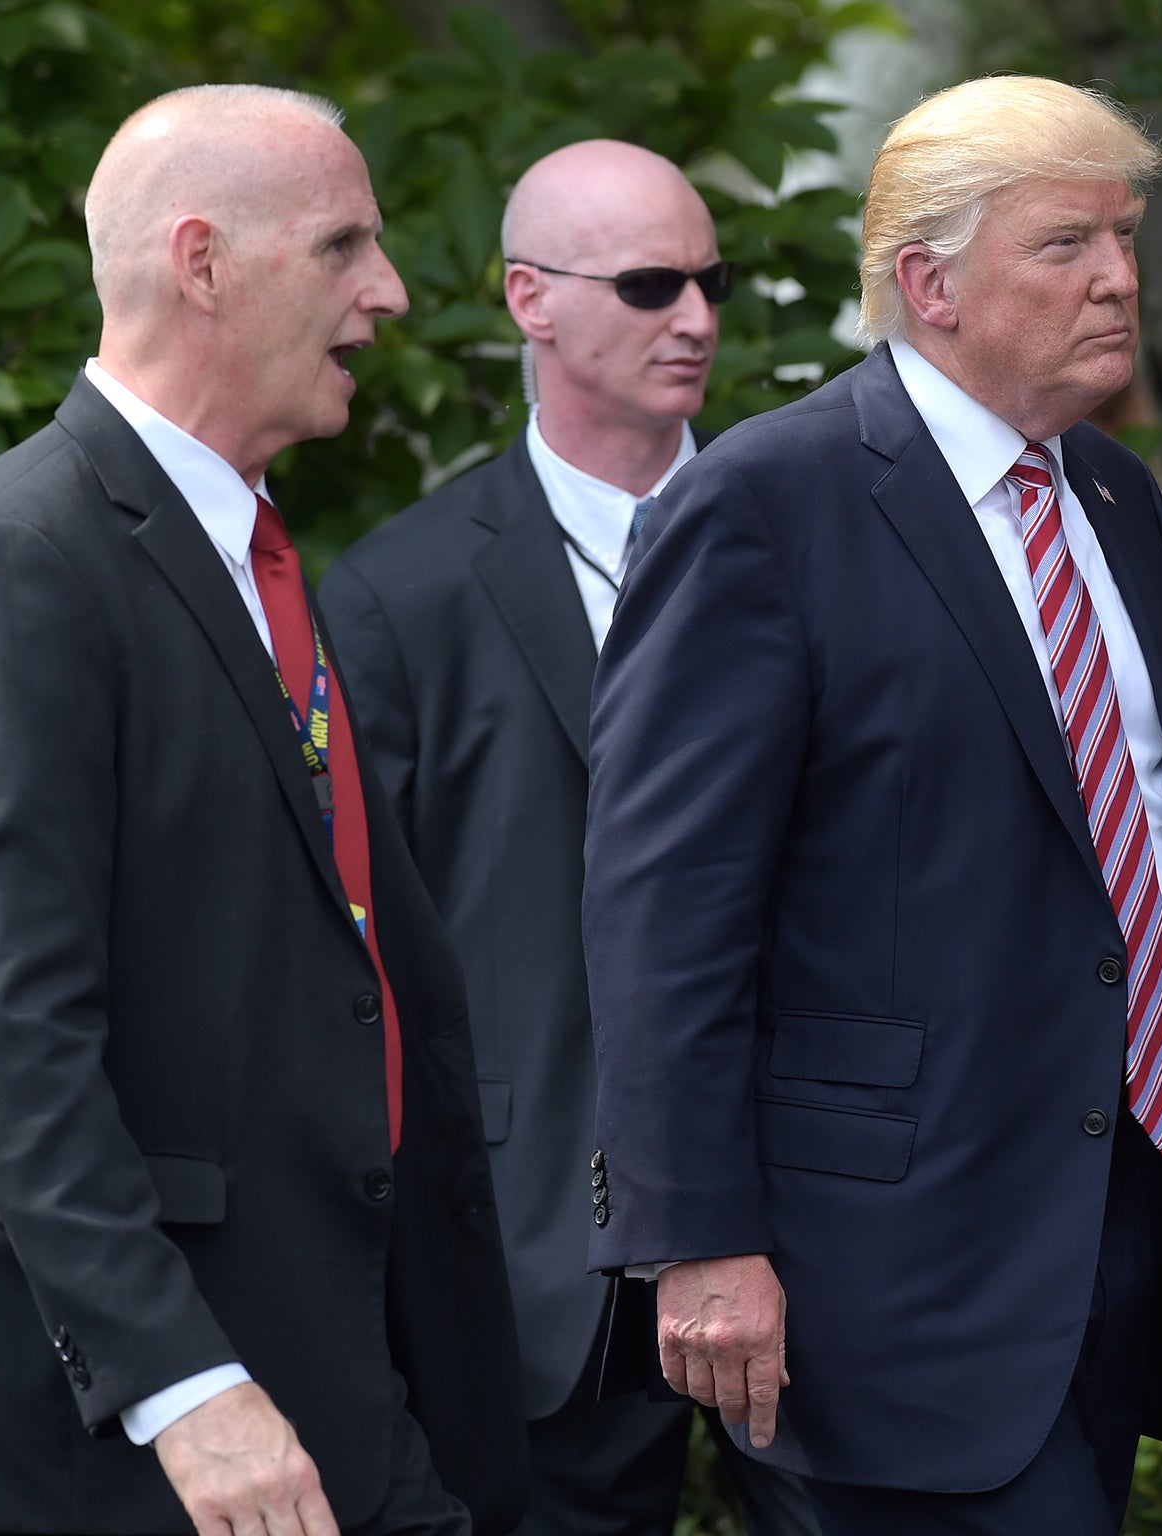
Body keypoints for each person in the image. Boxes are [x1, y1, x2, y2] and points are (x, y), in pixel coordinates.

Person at [577, 75, 1162, 1536]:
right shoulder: (768, 506)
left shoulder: (1115, 499)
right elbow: (666, 911)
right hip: (881, 1274)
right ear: (927, 284)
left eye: (1127, 238)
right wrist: (695, 1236)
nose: (1121, 280)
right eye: (1067, 244)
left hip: (1121, 1236)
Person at [0, 85, 529, 1536]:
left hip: (330, 1381)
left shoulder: (243, 547)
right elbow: (7, 1036)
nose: (388, 294)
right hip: (105, 1446)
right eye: (344, 247)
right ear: (201, 263)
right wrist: (181, 1381)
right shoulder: (17, 560)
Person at [320, 139, 818, 1536]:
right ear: (529, 299)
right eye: (654, 283)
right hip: (543, 1252)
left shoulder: (828, 533)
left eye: (712, 280)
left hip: (834, 1215)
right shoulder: (398, 597)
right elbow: (371, 960)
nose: (700, 318)